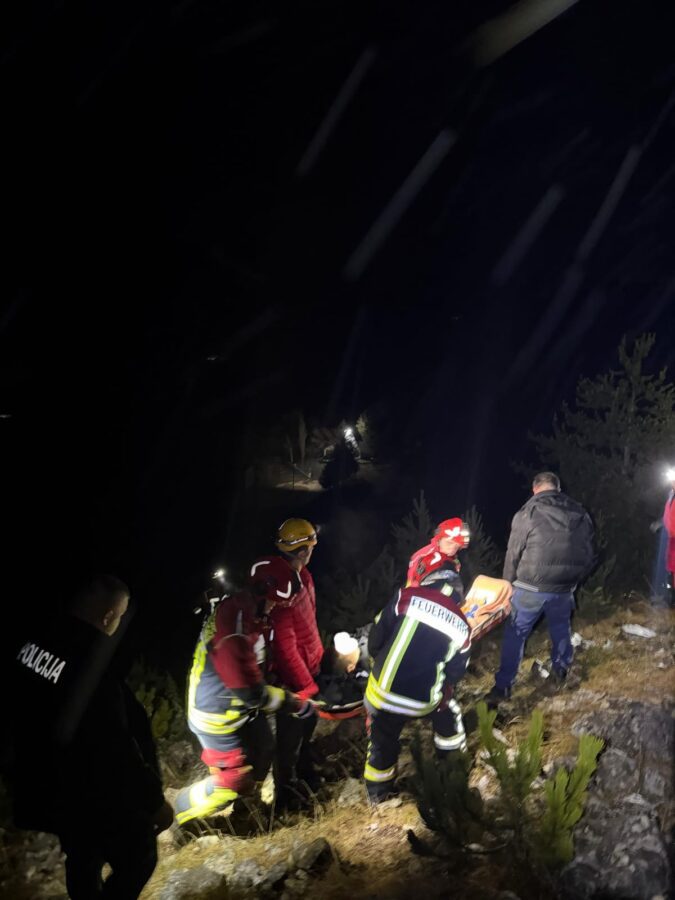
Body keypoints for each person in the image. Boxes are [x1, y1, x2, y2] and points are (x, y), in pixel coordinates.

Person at [10, 575, 173, 900]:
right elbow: (114, 744)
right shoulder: (91, 664)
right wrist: (154, 801)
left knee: (82, 855)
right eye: (121, 615)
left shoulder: (35, 643)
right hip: (90, 788)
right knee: (138, 856)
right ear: (109, 616)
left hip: (47, 782)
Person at [175, 556, 315, 825]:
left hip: (241, 710)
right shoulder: (234, 628)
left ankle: (246, 811)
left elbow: (256, 665)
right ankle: (179, 810)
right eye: (274, 600)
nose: (275, 606)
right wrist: (293, 702)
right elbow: (249, 691)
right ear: (262, 592)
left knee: (264, 750)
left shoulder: (249, 614)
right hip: (216, 717)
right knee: (232, 781)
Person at [363, 567, 472, 803]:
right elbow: (455, 673)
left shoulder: (405, 596)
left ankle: (378, 795)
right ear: (458, 595)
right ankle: (453, 769)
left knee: (381, 740)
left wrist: (378, 664)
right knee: (449, 713)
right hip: (422, 702)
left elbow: (375, 639)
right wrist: (442, 691)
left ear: (428, 583)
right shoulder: (463, 625)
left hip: (381, 694)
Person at [486, 472, 595, 707]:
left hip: (530, 586)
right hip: (564, 587)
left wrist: (507, 584)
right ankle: (561, 669)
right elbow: (588, 552)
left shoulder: (529, 511)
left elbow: (513, 551)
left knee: (516, 634)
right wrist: (576, 579)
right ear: (557, 488)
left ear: (535, 488)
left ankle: (503, 686)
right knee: (560, 628)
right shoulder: (579, 512)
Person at [269, 518, 324, 806]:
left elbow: (308, 623)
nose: (312, 551)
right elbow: (284, 647)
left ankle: (305, 772)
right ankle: (286, 797)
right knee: (289, 739)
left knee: (307, 725)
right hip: (293, 679)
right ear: (302, 551)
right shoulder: (283, 590)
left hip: (309, 667)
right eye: (310, 547)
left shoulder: (305, 577)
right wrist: (305, 686)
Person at [406, 518, 471, 587]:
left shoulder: (455, 563)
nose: (451, 549)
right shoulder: (424, 555)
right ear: (439, 540)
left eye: (456, 547)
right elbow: (412, 580)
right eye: (449, 543)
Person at [662, 469, 675, 604]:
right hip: (672, 537)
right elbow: (668, 516)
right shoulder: (671, 497)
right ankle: (671, 598)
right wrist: (661, 524)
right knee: (671, 567)